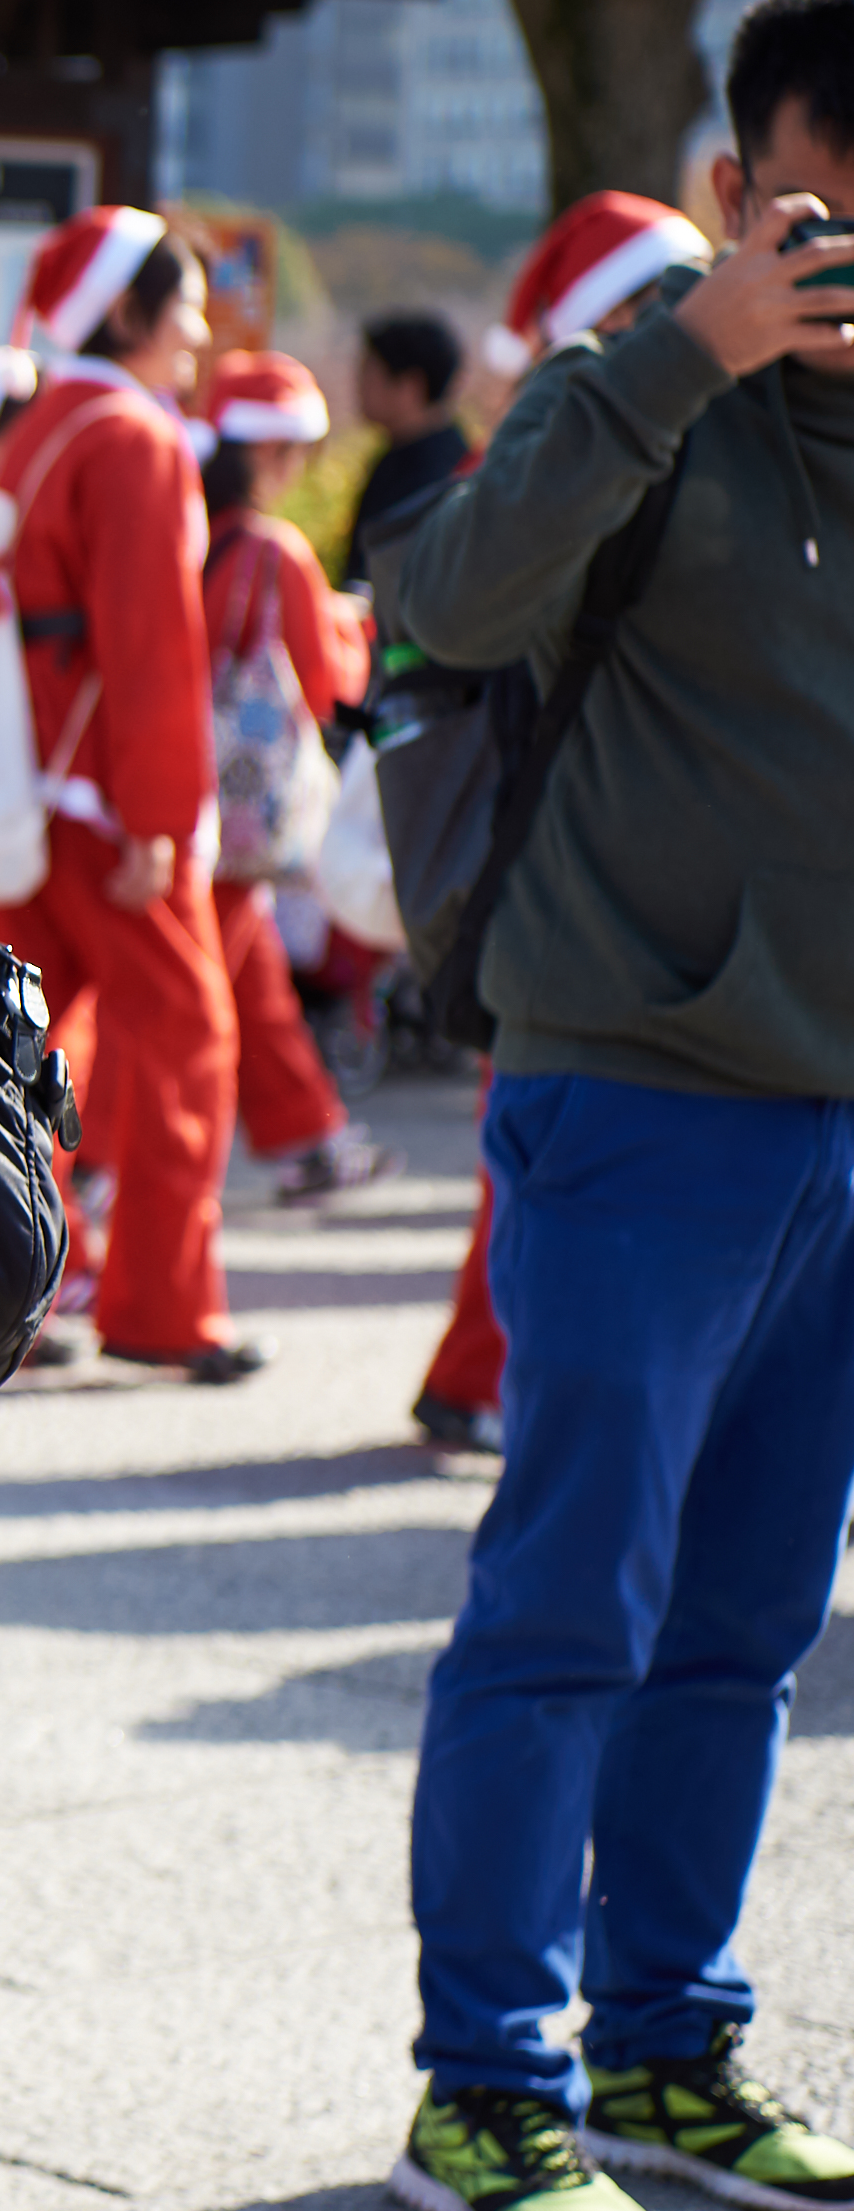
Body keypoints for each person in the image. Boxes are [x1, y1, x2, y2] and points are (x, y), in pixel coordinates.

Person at [381, 0, 854, 2211]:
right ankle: (486, 2077)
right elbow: (441, 601)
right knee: (571, 1599)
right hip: (637, 1089)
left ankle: (669, 2040)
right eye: (812, 220)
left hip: (840, 1119)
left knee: (747, 1620)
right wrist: (692, 346)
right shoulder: (640, 389)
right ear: (734, 194)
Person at [404, 194, 713, 1463]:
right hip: (560, 858)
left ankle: (481, 1373)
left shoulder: (544, 446)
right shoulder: (564, 454)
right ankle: (486, 1378)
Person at [0, 208, 260, 1383]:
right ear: (127, 312)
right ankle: (165, 1308)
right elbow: (151, 645)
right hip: (103, 801)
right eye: (180, 304)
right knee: (185, 1039)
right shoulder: (134, 434)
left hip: (25, 792)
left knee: (12, 1055)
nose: (197, 329)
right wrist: (163, 821)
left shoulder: (33, 429)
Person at [195, 349, 396, 1205]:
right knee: (214, 987)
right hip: (246, 806)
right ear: (276, 453)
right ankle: (95, 1169)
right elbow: (326, 682)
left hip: (181, 786)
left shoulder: (188, 527)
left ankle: (311, 1136)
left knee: (245, 976)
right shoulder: (276, 549)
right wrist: (350, 628)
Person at [349, 309, 472, 572]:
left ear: (409, 386)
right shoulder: (397, 454)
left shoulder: (444, 474)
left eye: (368, 373)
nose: (357, 386)